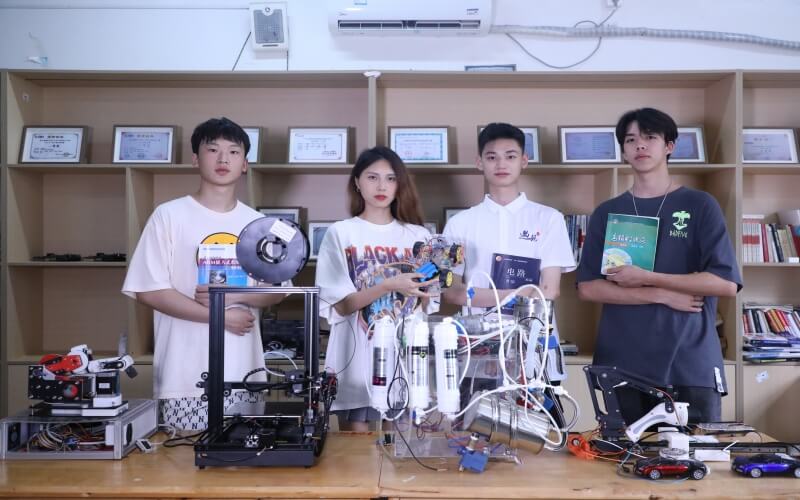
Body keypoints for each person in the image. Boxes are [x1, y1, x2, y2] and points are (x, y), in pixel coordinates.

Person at [576, 107, 741, 424]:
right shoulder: (608, 212)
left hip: (690, 363)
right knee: (623, 455)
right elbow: (588, 288)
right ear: (623, 151)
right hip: (622, 364)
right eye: (630, 140)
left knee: (693, 453)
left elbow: (725, 283)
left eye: (650, 137)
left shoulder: (700, 205)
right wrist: (660, 294)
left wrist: (648, 277)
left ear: (669, 146)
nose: (640, 145)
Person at [122, 117, 285, 431]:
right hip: (184, 377)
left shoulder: (258, 224)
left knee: (244, 456)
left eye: (233, 152)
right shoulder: (168, 215)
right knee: (183, 457)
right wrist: (220, 317)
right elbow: (149, 290)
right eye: (213, 150)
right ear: (196, 159)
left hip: (245, 375)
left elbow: (277, 289)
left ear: (245, 164)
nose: (223, 159)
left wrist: (231, 298)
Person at [315, 146, 437, 431]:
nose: (382, 186)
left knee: (401, 451)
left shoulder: (420, 236)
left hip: (405, 364)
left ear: (400, 184)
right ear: (357, 182)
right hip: (355, 362)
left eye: (391, 178)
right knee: (356, 453)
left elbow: (427, 303)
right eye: (372, 177)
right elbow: (342, 305)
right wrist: (388, 286)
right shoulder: (341, 232)